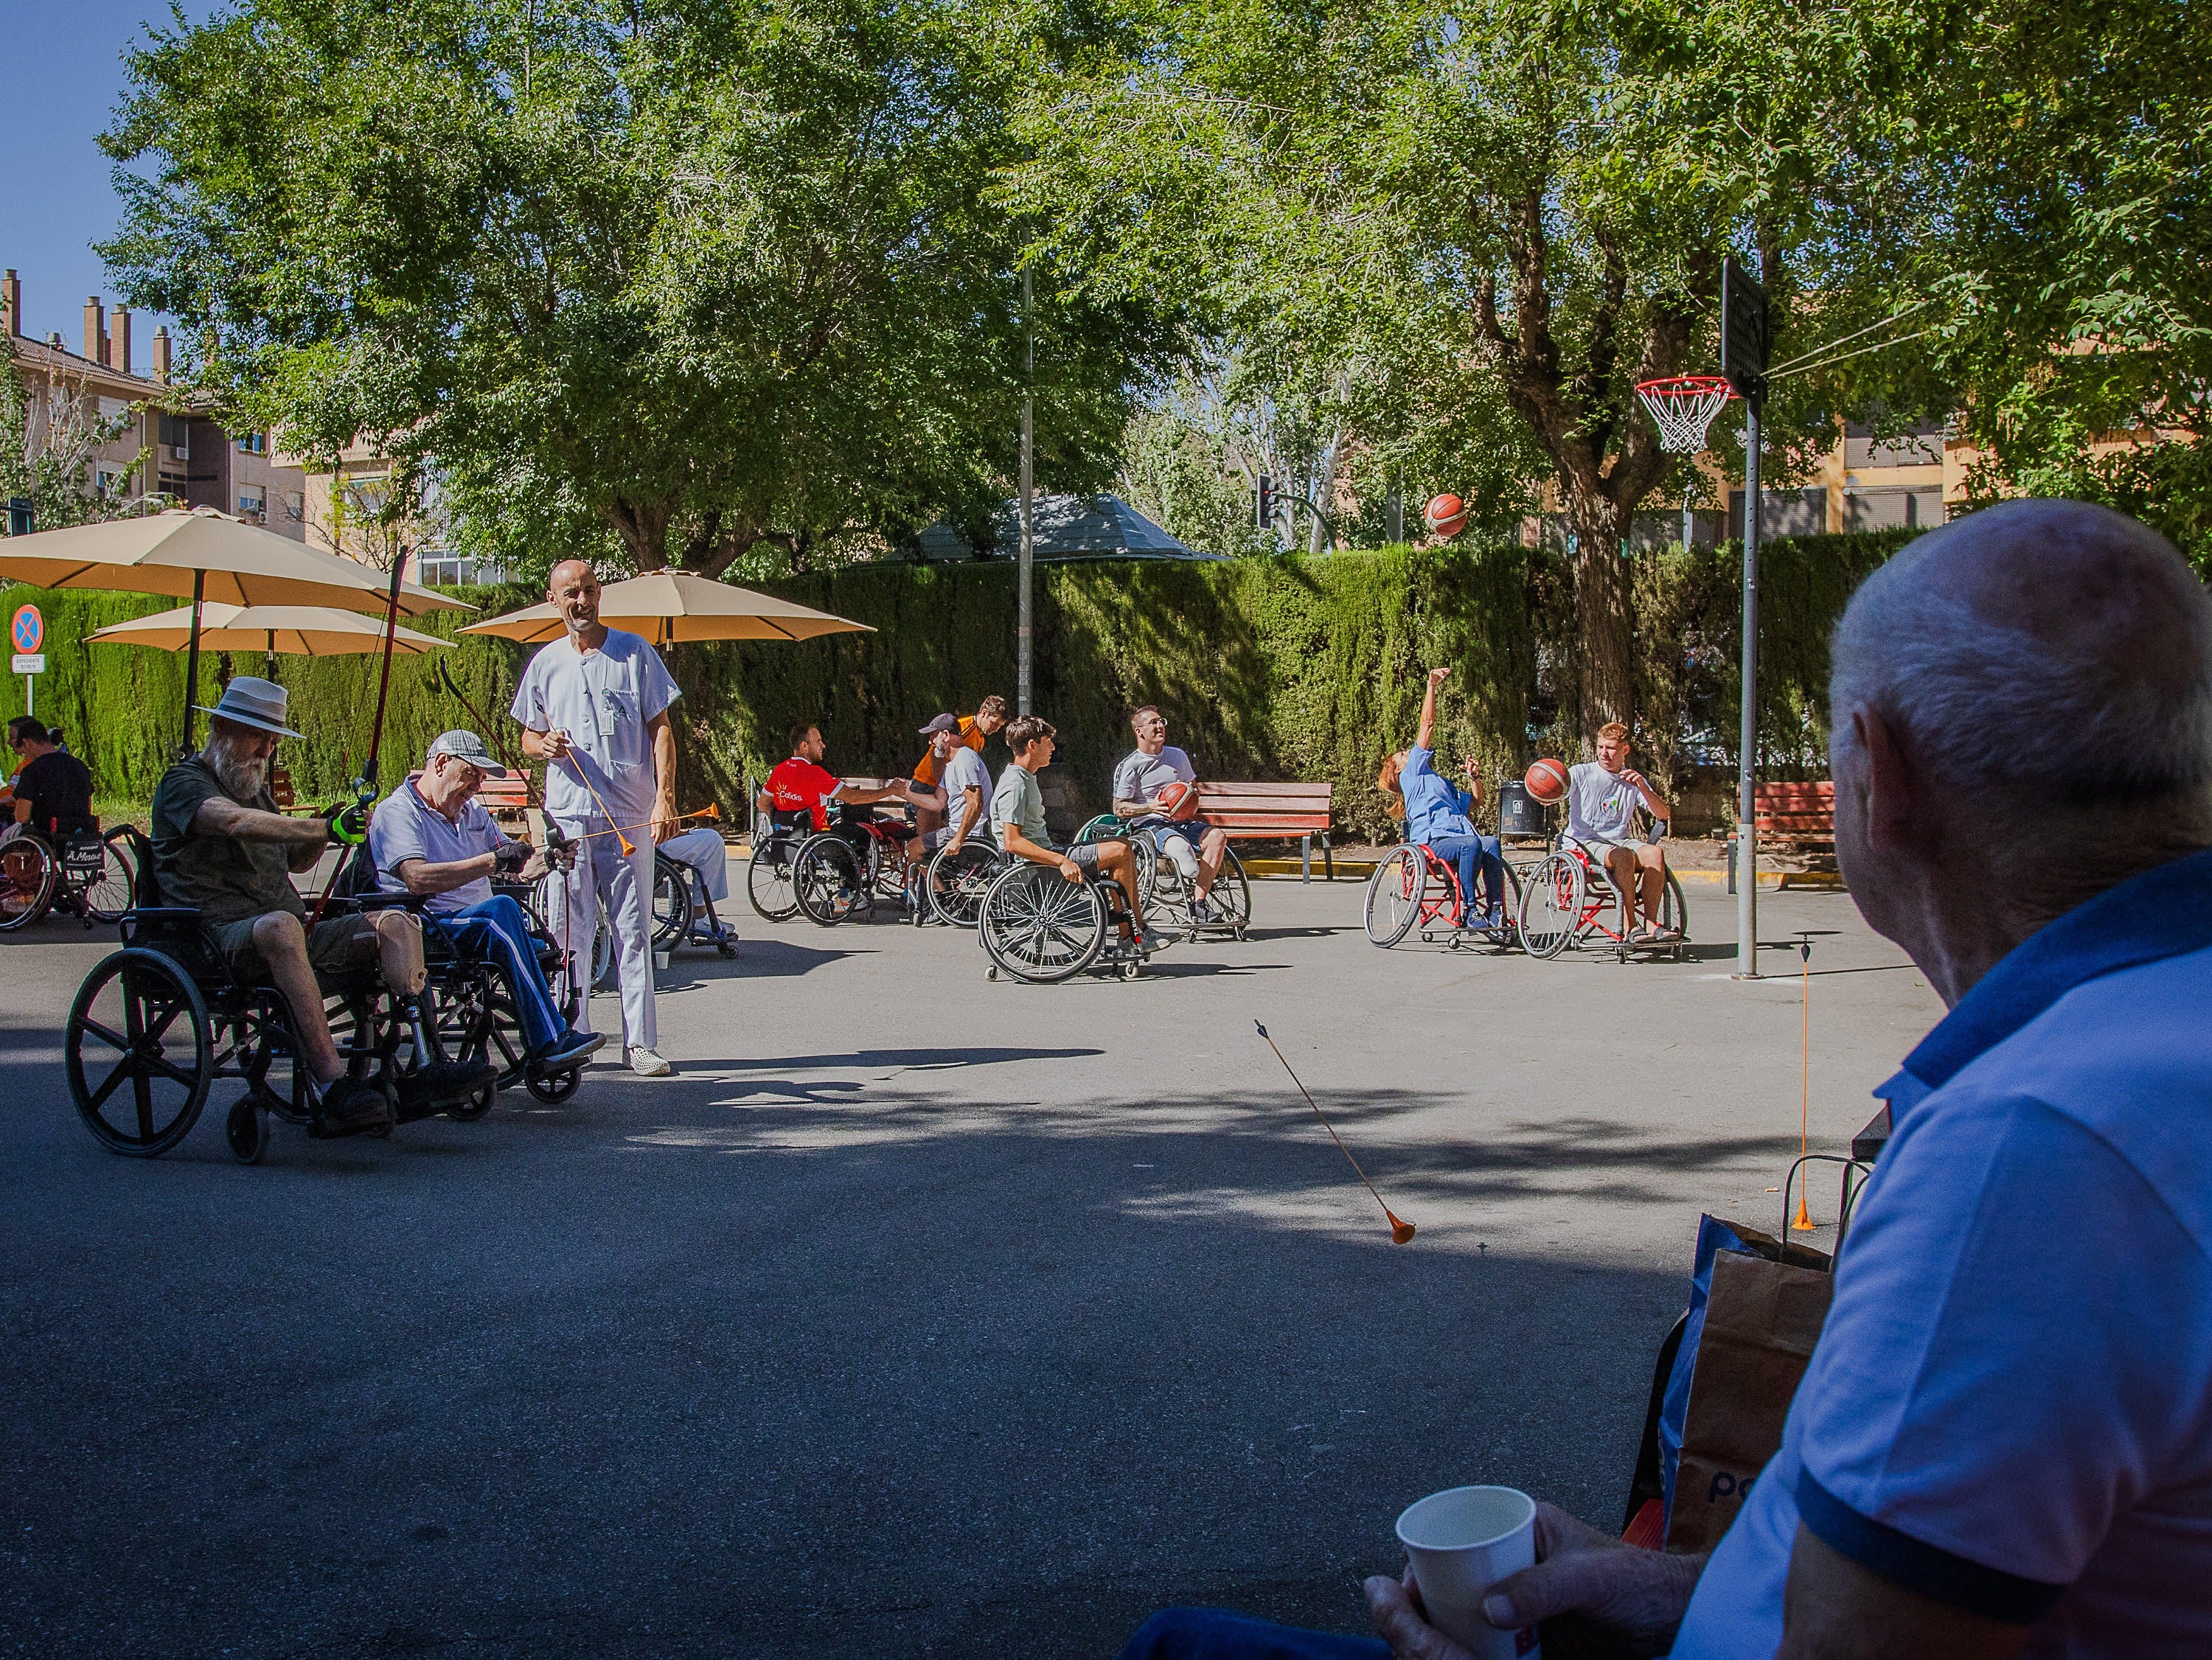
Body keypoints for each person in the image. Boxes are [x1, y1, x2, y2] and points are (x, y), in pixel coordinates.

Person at [1116, 500, 2212, 1660]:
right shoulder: (2141, 1045)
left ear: (1879, 776)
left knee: (1174, 1646)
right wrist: (1650, 1580)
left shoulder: (2025, 1158)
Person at [148, 677, 486, 1131]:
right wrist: (322, 831)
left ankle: (427, 1065)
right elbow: (232, 823)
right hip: (215, 937)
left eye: (272, 741)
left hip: (288, 933)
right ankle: (332, 1087)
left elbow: (298, 858)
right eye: (257, 738)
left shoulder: (255, 788)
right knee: (282, 927)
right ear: (222, 728)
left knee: (399, 923)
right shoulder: (183, 782)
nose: (266, 751)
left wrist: (331, 821)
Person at [512, 559, 681, 1078]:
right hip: (569, 816)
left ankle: (640, 1043)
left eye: (588, 591)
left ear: (600, 594)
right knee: (569, 932)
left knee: (632, 930)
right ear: (553, 600)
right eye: (570, 594)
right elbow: (527, 734)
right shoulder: (544, 663)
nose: (580, 601)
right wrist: (544, 745)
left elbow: (662, 730)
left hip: (629, 812)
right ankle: (574, 1031)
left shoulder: (635, 653)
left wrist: (665, 798)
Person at [368, 730, 602, 1079]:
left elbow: (517, 866)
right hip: (425, 925)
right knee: (502, 911)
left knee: (523, 929)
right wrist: (492, 862)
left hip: (475, 924)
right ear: (442, 763)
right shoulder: (398, 812)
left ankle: (554, 1031)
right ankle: (548, 1040)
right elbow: (416, 878)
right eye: (471, 774)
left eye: (481, 778)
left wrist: (548, 858)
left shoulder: (472, 812)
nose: (476, 786)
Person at [993, 715, 1150, 952]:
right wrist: (1062, 860)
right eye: (1048, 742)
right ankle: (1133, 935)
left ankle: (1135, 931)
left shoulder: (1025, 778)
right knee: (1119, 851)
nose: (1053, 748)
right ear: (1032, 746)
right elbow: (1012, 842)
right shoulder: (1015, 784)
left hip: (1044, 861)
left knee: (1122, 844)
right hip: (1038, 872)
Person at [1376, 668, 1506, 933]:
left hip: (1458, 838)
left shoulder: (1439, 782)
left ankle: (1495, 911)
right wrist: (1431, 686)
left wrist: (1474, 776)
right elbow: (1427, 725)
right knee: (1471, 844)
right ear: (1399, 769)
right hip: (1433, 843)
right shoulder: (1411, 775)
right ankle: (1469, 911)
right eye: (1403, 753)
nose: (1408, 752)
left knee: (1490, 842)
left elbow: (1475, 802)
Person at [1113, 705, 1231, 921]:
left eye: (1162, 721)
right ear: (1139, 731)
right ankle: (1194, 880)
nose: (1160, 726)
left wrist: (1189, 798)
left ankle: (1199, 903)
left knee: (1217, 837)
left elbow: (1192, 788)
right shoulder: (1131, 765)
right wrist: (1151, 807)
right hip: (1150, 825)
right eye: (1154, 723)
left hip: (1182, 821)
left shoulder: (1178, 756)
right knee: (1184, 855)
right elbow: (1119, 808)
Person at [1563, 722, 1674, 942]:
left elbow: (1663, 814)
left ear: (1625, 750)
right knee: (1623, 856)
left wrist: (1643, 787)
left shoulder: (1632, 779)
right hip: (1585, 842)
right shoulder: (1582, 773)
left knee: (1655, 853)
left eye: (1611, 748)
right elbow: (1554, 791)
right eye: (1601, 747)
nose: (1605, 753)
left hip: (1619, 840)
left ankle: (1651, 924)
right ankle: (1631, 926)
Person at [757, 722, 916, 834]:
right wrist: (890, 790)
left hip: (787, 837)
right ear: (804, 746)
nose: (823, 745)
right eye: (818, 741)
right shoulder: (815, 773)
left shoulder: (780, 770)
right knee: (862, 833)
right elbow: (852, 798)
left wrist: (785, 823)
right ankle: (851, 881)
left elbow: (762, 804)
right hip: (817, 835)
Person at [911, 694, 1008, 837]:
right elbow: (936, 753)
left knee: (939, 837)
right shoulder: (963, 728)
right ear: (984, 713)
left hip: (943, 787)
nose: (996, 729)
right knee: (928, 840)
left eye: (999, 726)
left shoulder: (980, 739)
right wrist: (942, 785)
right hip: (928, 782)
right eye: (994, 723)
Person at [905, 712, 994, 865]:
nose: (930, 741)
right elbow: (938, 803)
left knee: (913, 848)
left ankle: (938, 890)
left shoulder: (964, 759)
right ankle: (938, 887)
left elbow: (975, 804)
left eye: (933, 735)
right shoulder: (952, 764)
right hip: (959, 830)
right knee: (919, 847)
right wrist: (903, 793)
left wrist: (958, 839)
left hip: (969, 834)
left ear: (946, 735)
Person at [4, 715, 94, 845]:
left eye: (22, 747)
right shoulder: (79, 765)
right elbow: (88, 803)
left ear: (27, 742)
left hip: (45, 833)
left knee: (6, 838)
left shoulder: (32, 771)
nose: (25, 753)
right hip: (80, 830)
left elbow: (22, 817)